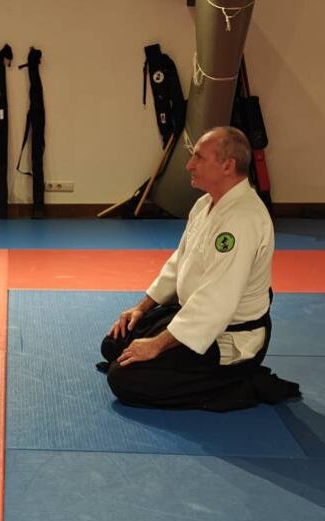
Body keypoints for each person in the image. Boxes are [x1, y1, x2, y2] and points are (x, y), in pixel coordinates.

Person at [99, 127, 300, 411]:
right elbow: (180, 262)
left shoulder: (242, 220)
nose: (189, 165)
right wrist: (141, 308)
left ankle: (243, 383)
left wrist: (157, 344)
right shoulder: (205, 204)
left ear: (227, 166)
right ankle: (176, 361)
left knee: (123, 379)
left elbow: (216, 302)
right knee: (113, 345)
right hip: (193, 315)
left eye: (198, 158)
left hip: (229, 336)